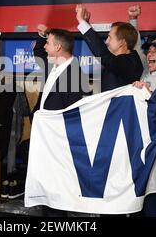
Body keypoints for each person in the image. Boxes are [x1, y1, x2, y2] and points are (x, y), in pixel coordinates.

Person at [32, 25, 91, 216]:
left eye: (48, 43)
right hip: (47, 143)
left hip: (60, 147)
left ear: (58, 48)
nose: (45, 47)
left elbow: (74, 117)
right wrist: (43, 35)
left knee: (58, 200)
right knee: (48, 197)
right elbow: (38, 51)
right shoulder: (53, 66)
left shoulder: (75, 75)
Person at [75, 4, 143, 92]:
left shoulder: (130, 62)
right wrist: (86, 23)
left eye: (110, 37)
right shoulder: (118, 61)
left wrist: (81, 21)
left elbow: (103, 54)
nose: (106, 41)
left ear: (122, 42)